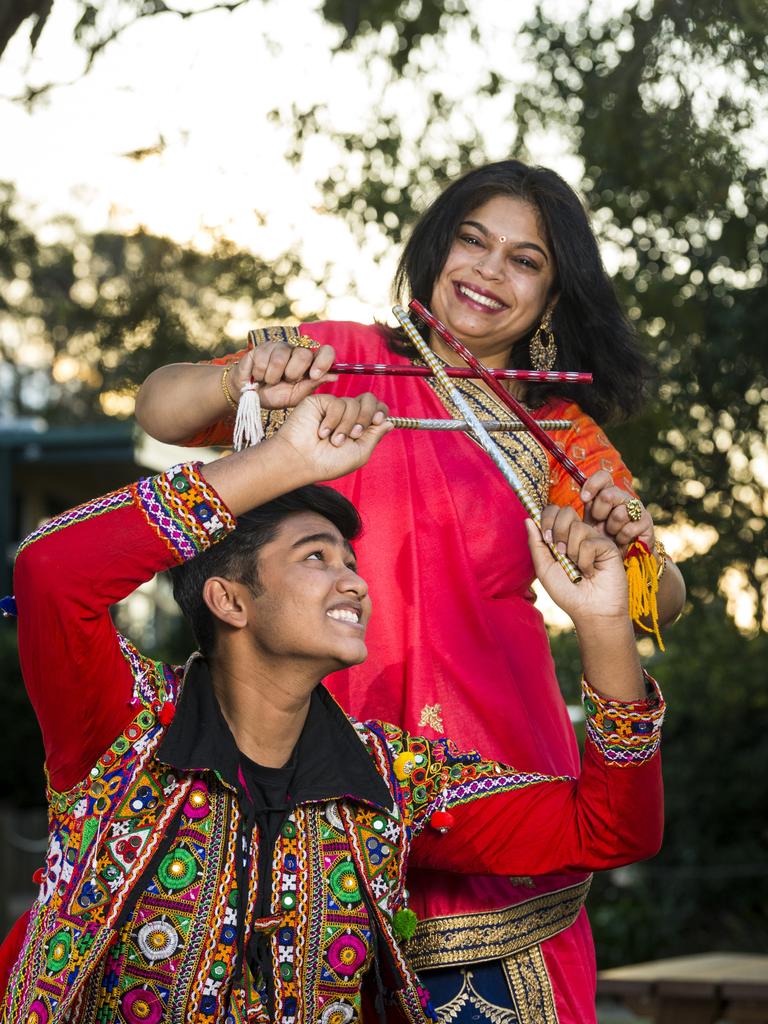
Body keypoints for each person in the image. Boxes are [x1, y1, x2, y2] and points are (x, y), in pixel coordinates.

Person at [135, 160, 685, 1022]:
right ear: (437, 247)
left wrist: (622, 542)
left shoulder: (556, 430)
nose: (488, 271)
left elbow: (663, 596)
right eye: (473, 240)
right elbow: (162, 408)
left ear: (551, 297)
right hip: (322, 776)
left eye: (525, 260)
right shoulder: (340, 359)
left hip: (496, 784)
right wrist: (242, 379)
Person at [2, 392, 664, 1024]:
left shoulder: (392, 778)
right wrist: (285, 462)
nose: (354, 579)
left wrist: (604, 626)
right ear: (230, 600)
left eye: (351, 560)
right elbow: (50, 573)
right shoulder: (129, 727)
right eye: (316, 557)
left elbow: (609, 828)